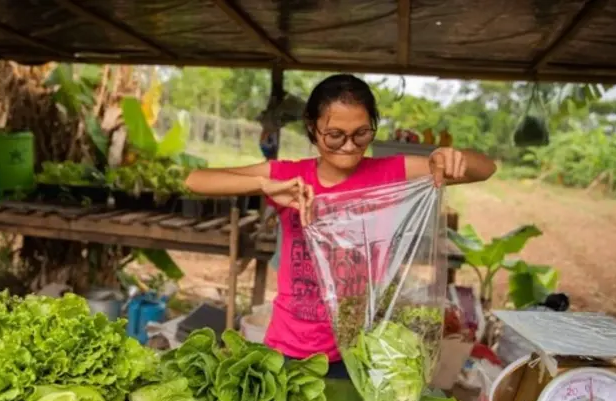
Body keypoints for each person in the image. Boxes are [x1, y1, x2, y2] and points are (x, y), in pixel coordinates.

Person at [184, 74, 496, 378]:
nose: (349, 146)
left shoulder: (390, 173)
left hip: (359, 350)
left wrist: (446, 156)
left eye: (361, 134)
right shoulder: (291, 177)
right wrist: (265, 185)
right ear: (312, 127)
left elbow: (485, 168)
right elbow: (195, 180)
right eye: (335, 135)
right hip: (288, 348)